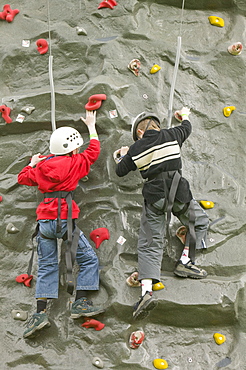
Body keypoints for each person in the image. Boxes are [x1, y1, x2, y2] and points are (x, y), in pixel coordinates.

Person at [114, 107, 209, 320]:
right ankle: (185, 261)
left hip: (155, 197)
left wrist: (121, 155)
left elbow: (120, 171)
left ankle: (146, 292)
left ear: (139, 132)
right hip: (179, 193)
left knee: (150, 241)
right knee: (200, 221)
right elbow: (187, 127)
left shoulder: (135, 149)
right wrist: (183, 114)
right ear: (157, 125)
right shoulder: (172, 134)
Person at [18, 110, 104, 338]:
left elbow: (22, 178)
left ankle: (40, 314)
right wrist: (92, 126)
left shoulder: (42, 166)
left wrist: (33, 163)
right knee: (88, 259)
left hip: (45, 221)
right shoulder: (76, 162)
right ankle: (81, 302)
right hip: (66, 221)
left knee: (47, 266)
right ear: (73, 149)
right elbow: (94, 151)